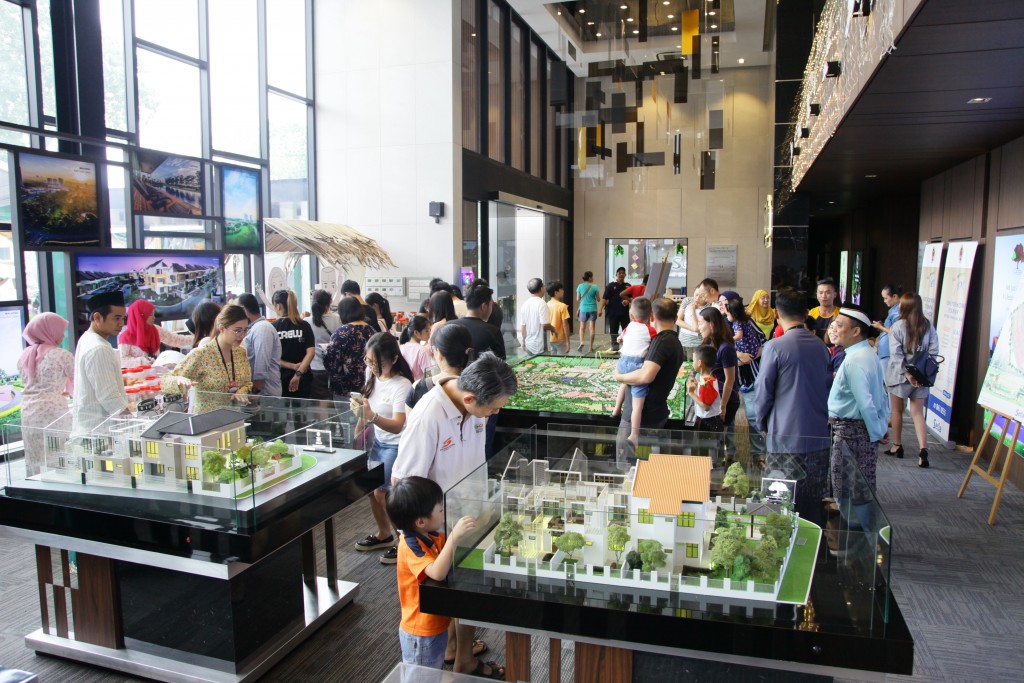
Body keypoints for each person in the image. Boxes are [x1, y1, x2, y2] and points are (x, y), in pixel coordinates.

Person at [392, 352, 516, 679]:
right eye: (492, 408)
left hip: (468, 513)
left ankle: (461, 655)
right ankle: (456, 655)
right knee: (450, 594)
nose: (495, 413)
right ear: (470, 397)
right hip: (438, 526)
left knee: (470, 592)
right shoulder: (429, 416)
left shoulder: (473, 407)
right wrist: (425, 532)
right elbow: (403, 482)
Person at [753, 288, 832, 523]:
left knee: (777, 504)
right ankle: (810, 552)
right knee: (811, 504)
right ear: (806, 313)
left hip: (784, 438)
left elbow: (763, 392)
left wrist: (762, 425)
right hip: (818, 437)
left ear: (777, 313)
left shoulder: (775, 347)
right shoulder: (821, 347)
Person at [387, 476, 477, 670]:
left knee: (433, 671)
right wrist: (454, 537)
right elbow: (436, 572)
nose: (444, 512)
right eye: (440, 510)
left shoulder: (430, 535)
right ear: (420, 521)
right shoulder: (410, 545)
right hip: (420, 631)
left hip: (435, 625)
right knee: (422, 675)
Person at [351, 333, 414, 565]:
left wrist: (372, 417)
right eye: (368, 361)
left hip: (395, 445)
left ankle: (403, 544)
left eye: (378, 363)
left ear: (394, 359)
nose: (373, 367)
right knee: (372, 491)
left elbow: (398, 425)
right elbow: (366, 406)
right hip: (377, 442)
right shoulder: (372, 375)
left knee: (384, 494)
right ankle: (384, 534)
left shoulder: (403, 384)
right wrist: (360, 424)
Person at [827, 307, 890, 495]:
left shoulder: (855, 359)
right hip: (859, 430)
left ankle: (853, 525)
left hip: (851, 432)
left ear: (855, 331)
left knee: (847, 490)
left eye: (839, 325)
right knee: (859, 487)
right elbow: (881, 396)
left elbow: (866, 402)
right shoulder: (867, 353)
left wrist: (877, 431)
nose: (834, 329)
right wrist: (880, 427)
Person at [613, 298, 684, 443]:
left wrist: (619, 377)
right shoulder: (675, 342)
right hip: (655, 413)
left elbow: (645, 376)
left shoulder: (661, 341)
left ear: (652, 316)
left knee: (630, 461)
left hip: (645, 419)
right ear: (676, 318)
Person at [161, 305, 253, 414]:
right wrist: (178, 380)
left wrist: (242, 391)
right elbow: (165, 381)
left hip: (235, 416)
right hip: (205, 420)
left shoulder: (240, 352)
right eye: (237, 331)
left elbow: (247, 383)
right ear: (222, 328)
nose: (242, 335)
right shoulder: (202, 354)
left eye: (245, 330)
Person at [885, 292, 939, 468]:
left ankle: (897, 445)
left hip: (899, 376)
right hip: (921, 377)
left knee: (897, 411)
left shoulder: (898, 326)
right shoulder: (928, 326)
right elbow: (933, 351)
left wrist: (907, 374)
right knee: (917, 413)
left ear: (904, 306)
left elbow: (896, 354)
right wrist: (919, 374)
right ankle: (923, 450)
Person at [18, 313, 75, 476]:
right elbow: (77, 383)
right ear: (49, 331)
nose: (63, 336)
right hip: (54, 413)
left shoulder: (25, 355)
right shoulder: (61, 355)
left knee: (35, 457)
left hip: (29, 412)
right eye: (60, 331)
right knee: (59, 457)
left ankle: (35, 493)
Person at [72, 292, 130, 436]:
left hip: (91, 428)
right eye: (116, 318)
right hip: (100, 432)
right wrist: (132, 424)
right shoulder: (98, 348)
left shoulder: (87, 338)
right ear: (97, 317)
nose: (121, 324)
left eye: (123, 318)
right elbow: (110, 397)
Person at [611, 298, 655, 447]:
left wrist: (621, 339)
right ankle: (634, 435)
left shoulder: (628, 326)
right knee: (637, 406)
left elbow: (619, 338)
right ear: (651, 316)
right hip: (637, 365)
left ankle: (616, 409)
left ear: (631, 315)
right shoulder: (651, 330)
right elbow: (655, 343)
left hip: (623, 362)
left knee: (624, 383)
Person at [697, 306, 740, 441]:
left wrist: (723, 406)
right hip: (715, 397)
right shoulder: (709, 342)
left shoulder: (725, 348)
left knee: (718, 441)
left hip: (724, 400)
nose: (698, 327)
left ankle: (726, 460)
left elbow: (730, 379)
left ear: (712, 324)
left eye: (700, 323)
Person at [323, 296, 375, 398]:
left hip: (345, 389)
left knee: (346, 414)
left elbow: (332, 364)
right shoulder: (372, 331)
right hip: (369, 388)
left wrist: (325, 352)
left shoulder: (340, 333)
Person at [118, 299, 193, 367]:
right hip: (136, 379)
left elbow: (175, 340)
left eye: (153, 314)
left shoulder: (155, 329)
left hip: (155, 375)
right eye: (150, 314)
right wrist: (143, 361)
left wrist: (199, 339)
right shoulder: (125, 337)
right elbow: (122, 361)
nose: (154, 317)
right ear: (140, 316)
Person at [271, 289, 315, 399]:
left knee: (282, 412)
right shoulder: (304, 325)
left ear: (278, 307)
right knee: (303, 412)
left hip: (281, 378)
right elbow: (310, 353)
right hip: (304, 377)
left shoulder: (273, 327)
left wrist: (292, 366)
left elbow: (272, 357)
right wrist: (298, 374)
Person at [447, 281, 505, 360]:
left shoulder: (448, 326)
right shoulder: (493, 331)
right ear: (484, 306)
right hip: (482, 372)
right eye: (491, 304)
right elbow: (501, 362)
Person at [238, 293, 282, 397]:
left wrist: (254, 390)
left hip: (264, 394)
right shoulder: (254, 328)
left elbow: (261, 365)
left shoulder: (262, 328)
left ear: (244, 310)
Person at [309, 289, 341, 400]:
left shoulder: (307, 321)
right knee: (334, 400)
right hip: (333, 367)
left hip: (314, 367)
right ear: (328, 305)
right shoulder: (338, 319)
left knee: (319, 403)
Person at [687, 345, 723, 432]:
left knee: (707, 445)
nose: (693, 363)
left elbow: (706, 407)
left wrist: (691, 393)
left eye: (693, 360)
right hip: (711, 420)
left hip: (710, 423)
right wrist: (697, 385)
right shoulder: (708, 378)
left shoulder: (706, 383)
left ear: (700, 363)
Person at [518, 277, 553, 355]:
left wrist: (523, 343)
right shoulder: (541, 303)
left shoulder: (525, 304)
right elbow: (545, 324)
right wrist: (553, 329)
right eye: (543, 286)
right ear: (541, 288)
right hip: (540, 345)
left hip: (528, 344)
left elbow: (523, 326)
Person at [599, 267, 630, 351]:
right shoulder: (610, 285)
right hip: (613, 313)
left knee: (626, 331)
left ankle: (626, 348)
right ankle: (615, 349)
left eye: (623, 273)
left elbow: (632, 299)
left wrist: (627, 302)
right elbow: (604, 298)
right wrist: (600, 309)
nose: (621, 274)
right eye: (619, 273)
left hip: (624, 313)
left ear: (625, 275)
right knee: (613, 332)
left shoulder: (628, 286)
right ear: (616, 274)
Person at [872, 284, 903, 367]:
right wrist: (882, 326)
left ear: (895, 296)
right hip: (885, 351)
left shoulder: (897, 311)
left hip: (888, 353)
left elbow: (896, 333)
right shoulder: (894, 310)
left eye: (886, 298)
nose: (884, 301)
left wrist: (880, 327)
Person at [399, 315, 433, 382]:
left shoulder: (401, 347)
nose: (429, 333)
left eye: (430, 330)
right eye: (426, 331)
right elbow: (430, 375)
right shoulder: (421, 350)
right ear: (416, 332)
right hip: (418, 387)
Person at [676, 288, 704, 360]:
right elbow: (677, 320)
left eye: (701, 296)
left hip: (698, 343)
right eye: (696, 295)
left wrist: (693, 312)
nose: (697, 298)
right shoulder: (687, 300)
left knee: (695, 368)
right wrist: (693, 328)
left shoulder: (708, 306)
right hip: (683, 340)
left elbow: (700, 327)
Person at [809, 278, 840, 344]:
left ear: (835, 294)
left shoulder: (841, 314)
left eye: (828, 292)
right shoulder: (811, 313)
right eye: (820, 293)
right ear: (816, 294)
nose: (823, 296)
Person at [575, 271, 600, 352]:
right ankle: (590, 347)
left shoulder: (580, 286)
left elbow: (578, 299)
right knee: (592, 328)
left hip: (583, 309)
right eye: (592, 277)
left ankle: (582, 342)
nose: (593, 278)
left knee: (582, 327)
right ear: (589, 278)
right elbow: (598, 299)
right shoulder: (595, 287)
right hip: (593, 309)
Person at [545, 280, 571, 355]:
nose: (563, 291)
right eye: (561, 289)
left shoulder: (546, 305)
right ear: (556, 292)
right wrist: (567, 341)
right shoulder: (562, 306)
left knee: (553, 362)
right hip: (560, 338)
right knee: (562, 361)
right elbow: (565, 325)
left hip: (550, 339)